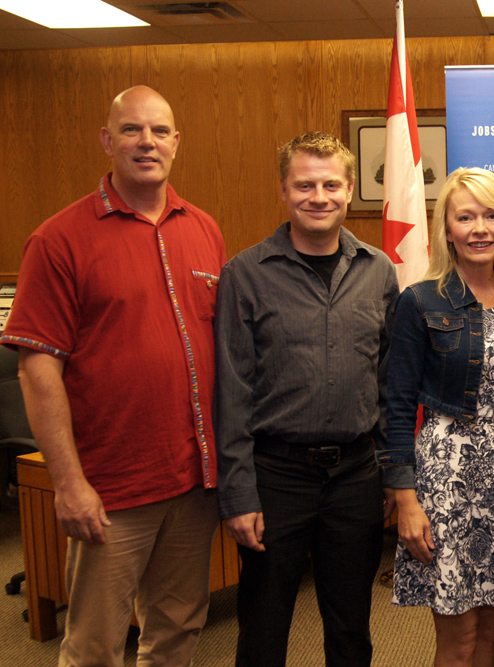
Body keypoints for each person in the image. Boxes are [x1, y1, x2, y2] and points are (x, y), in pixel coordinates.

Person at [1, 85, 226, 667]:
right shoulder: (58, 239)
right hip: (111, 488)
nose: (146, 142)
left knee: (177, 630)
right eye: (132, 129)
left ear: (177, 143)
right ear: (107, 140)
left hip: (192, 479)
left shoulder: (203, 228)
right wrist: (68, 483)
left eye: (159, 131)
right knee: (95, 645)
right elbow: (37, 368)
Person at [213, 131, 398, 667]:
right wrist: (238, 494)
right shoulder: (244, 275)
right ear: (284, 189)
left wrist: (389, 472)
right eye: (305, 185)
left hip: (355, 477)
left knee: (351, 625)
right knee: (264, 626)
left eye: (330, 184)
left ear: (349, 189)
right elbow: (232, 391)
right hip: (276, 477)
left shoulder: (379, 271)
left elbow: (387, 384)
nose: (318, 196)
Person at [377, 167, 494, 667]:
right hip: (447, 479)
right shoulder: (420, 301)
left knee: (492, 632)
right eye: (466, 217)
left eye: (492, 215)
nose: (479, 228)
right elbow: (398, 403)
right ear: (446, 228)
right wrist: (405, 497)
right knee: (459, 640)